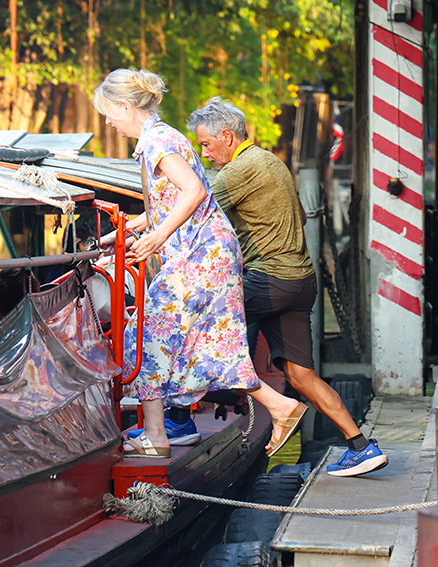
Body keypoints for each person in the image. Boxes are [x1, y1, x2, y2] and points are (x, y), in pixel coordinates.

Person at [93, 69, 305, 458]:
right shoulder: (163, 137)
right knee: (208, 343)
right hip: (207, 251)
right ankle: (280, 407)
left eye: (109, 112)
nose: (108, 121)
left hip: (200, 254)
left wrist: (156, 237)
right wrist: (120, 235)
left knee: (144, 332)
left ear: (125, 106)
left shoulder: (157, 141)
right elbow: (170, 202)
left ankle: (157, 435)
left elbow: (192, 191)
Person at [187, 97, 388, 477]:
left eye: (206, 145)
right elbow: (294, 216)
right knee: (301, 376)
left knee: (195, 330)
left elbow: (193, 214)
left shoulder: (237, 172)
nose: (206, 153)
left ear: (226, 136)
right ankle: (361, 446)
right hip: (299, 281)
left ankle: (183, 420)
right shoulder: (272, 162)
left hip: (268, 280)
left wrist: (136, 233)